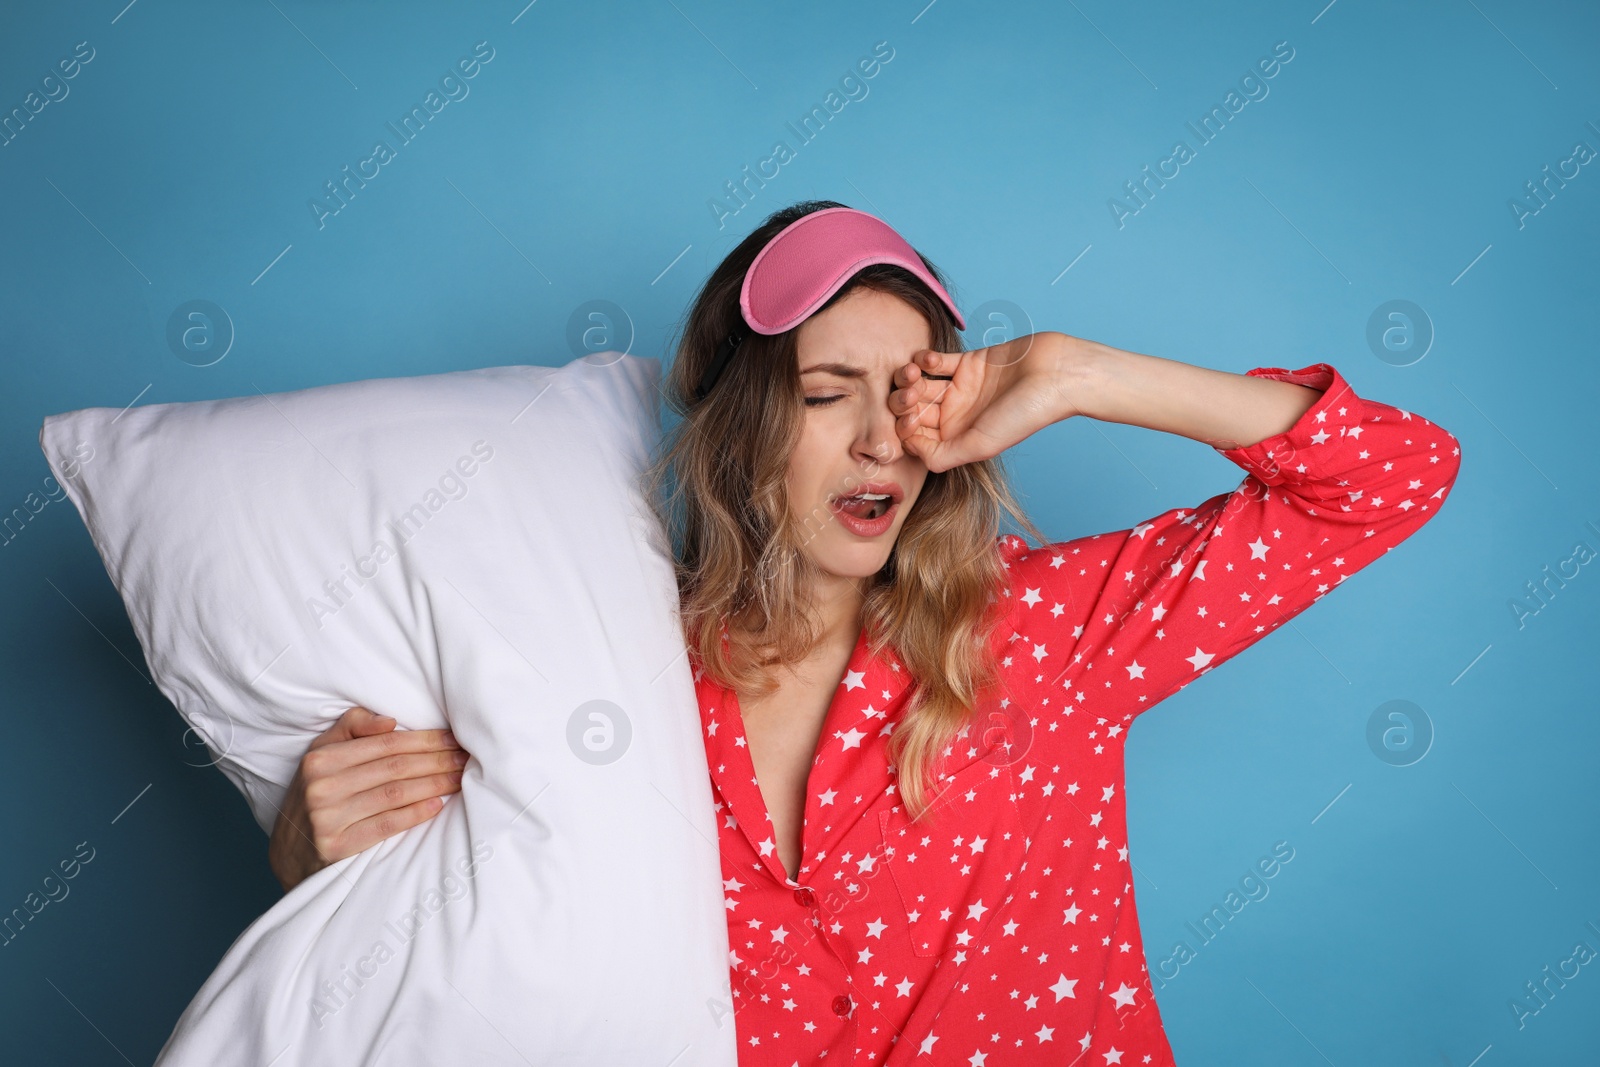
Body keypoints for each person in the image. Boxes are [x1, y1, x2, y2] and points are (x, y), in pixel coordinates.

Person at [265, 200, 1461, 1064]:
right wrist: (307, 856)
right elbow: (456, 943)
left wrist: (1075, 369)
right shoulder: (603, 676)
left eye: (913, 394)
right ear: (739, 426)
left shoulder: (1042, 630)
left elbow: (1395, 476)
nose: (881, 439)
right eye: (827, 393)